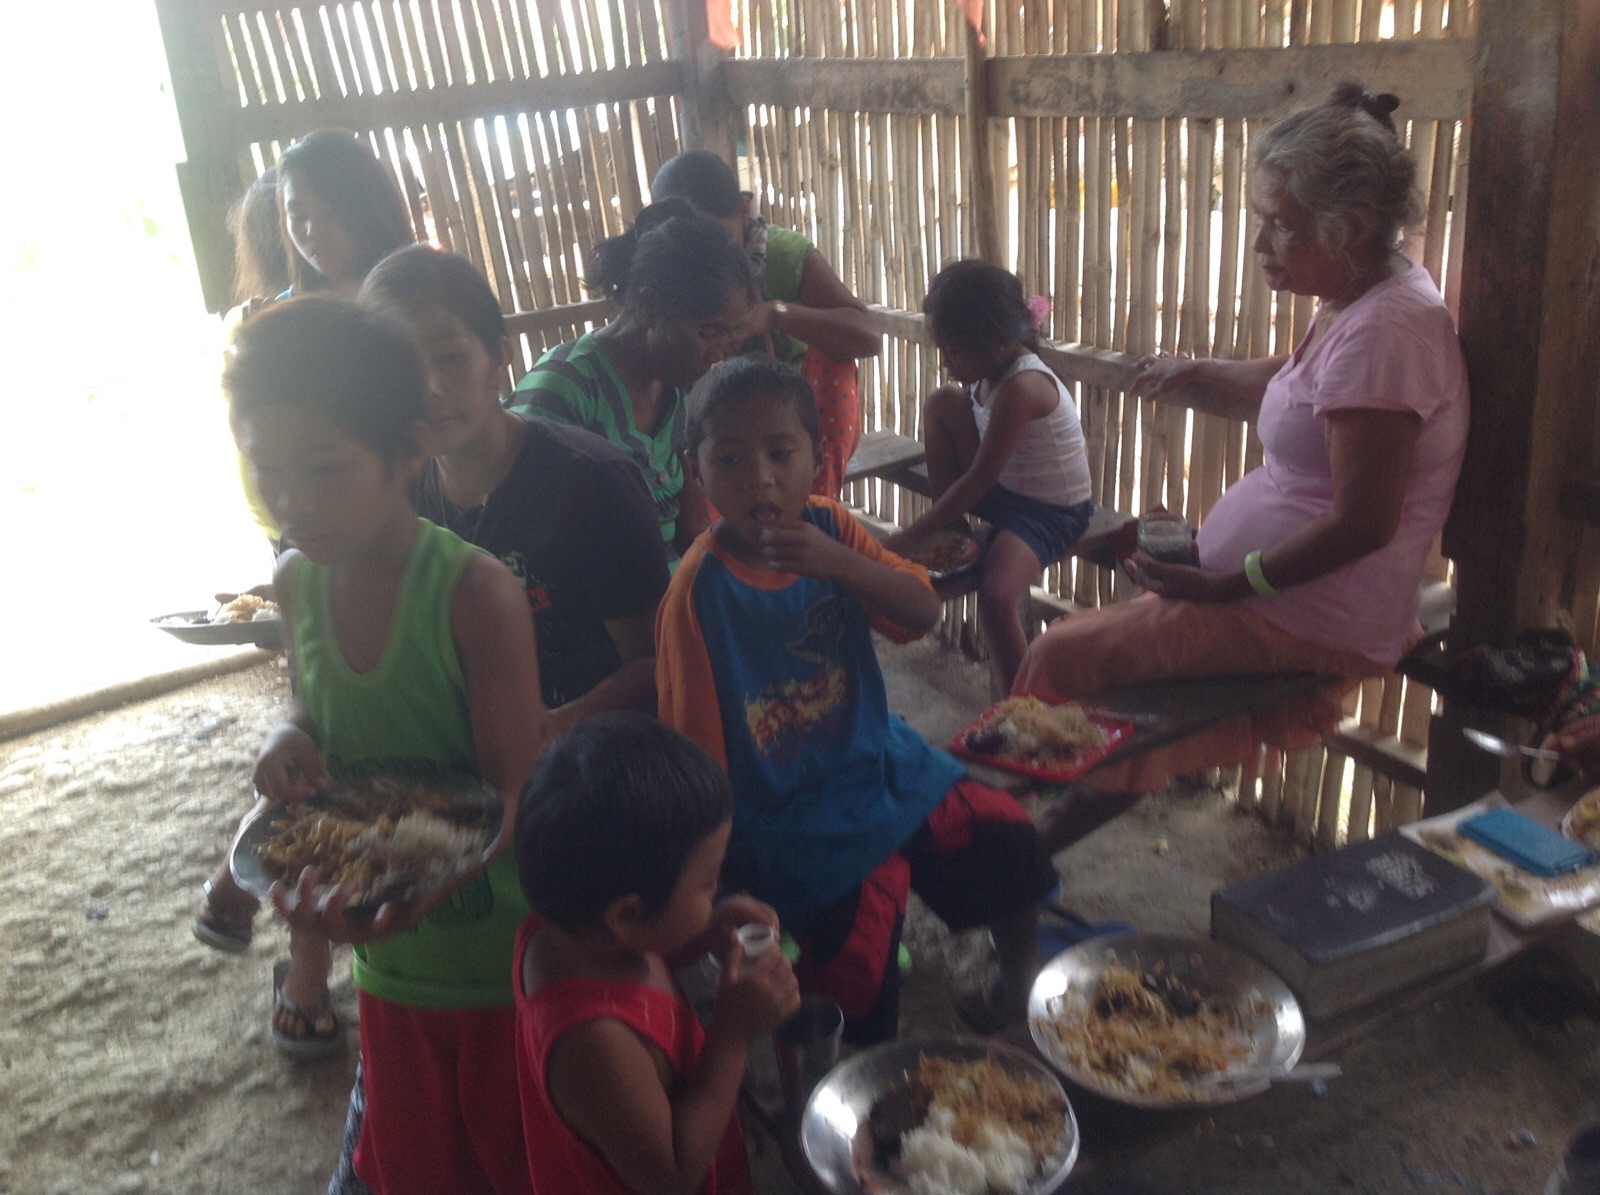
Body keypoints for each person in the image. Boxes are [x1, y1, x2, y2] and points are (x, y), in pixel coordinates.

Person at [1014, 84, 1470, 852]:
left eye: (1279, 225)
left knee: (1059, 653)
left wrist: (1230, 583)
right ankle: (1030, 836)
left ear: (1353, 227)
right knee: (1114, 675)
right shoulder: (1367, 292)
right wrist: (1203, 370)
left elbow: (1364, 522)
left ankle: (1012, 831)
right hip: (1281, 596)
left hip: (1307, 617)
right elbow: (1307, 383)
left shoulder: (1387, 334)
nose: (1260, 243)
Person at [226, 297, 550, 1193]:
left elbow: (515, 792)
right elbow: (311, 706)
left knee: (517, 1164)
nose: (292, 501)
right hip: (388, 964)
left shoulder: (475, 595)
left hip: (493, 961)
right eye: (266, 469)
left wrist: (418, 891)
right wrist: (286, 736)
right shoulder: (297, 581)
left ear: (409, 452)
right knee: (413, 1165)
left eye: (325, 469)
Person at [656, 356, 1057, 1041]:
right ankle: (855, 1071)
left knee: (1010, 843)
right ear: (698, 471)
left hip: (880, 763)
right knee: (858, 964)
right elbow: (698, 756)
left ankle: (1015, 997)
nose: (760, 477)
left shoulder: (833, 529)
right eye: (731, 459)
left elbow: (921, 611)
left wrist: (840, 563)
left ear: (818, 459)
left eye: (780, 453)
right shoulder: (698, 593)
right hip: (785, 813)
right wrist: (720, 877)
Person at [360, 245, 671, 714]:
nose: (429, 388)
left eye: (450, 358)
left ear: (499, 358)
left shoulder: (593, 486)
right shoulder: (393, 493)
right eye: (399, 367)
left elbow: (656, 664)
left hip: (594, 748)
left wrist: (545, 734)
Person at [513, 713, 799, 1195]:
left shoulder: (569, 924)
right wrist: (733, 1034)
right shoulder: (594, 1042)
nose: (719, 889)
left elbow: (634, 955)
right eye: (706, 882)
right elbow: (672, 1174)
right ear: (627, 914)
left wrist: (701, 930)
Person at [882, 260, 1094, 695]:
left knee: (997, 595)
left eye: (955, 351)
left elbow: (978, 480)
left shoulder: (1023, 387)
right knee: (942, 402)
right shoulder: (987, 375)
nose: (946, 362)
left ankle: (1021, 706)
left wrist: (907, 538)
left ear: (999, 341)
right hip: (1008, 494)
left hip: (1050, 512)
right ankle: (955, 532)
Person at [510, 198, 756, 568]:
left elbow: (690, 525)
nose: (719, 353)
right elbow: (528, 540)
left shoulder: (675, 389)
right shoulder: (564, 391)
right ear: (649, 304)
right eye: (709, 332)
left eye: (729, 335)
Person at [651, 149, 881, 497]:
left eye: (719, 238)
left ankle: (816, 503)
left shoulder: (784, 255)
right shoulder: (671, 276)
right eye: (696, 244)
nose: (712, 255)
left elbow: (868, 338)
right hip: (721, 427)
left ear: (744, 210)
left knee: (835, 360)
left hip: (793, 423)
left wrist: (777, 314)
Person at [277, 129, 414, 299]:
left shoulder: (423, 296)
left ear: (370, 209)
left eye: (331, 213)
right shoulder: (287, 308)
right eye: (298, 215)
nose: (313, 230)